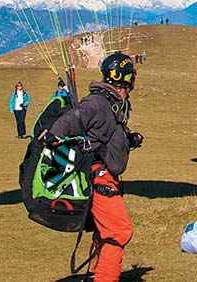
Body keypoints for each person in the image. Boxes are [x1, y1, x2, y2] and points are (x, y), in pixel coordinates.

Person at [46, 53, 144, 282]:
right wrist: (54, 135)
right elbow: (73, 119)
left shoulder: (114, 104)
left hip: (106, 176)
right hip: (98, 178)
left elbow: (102, 133)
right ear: (127, 78)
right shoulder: (98, 102)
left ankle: (93, 274)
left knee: (103, 231)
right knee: (118, 231)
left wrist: (129, 140)